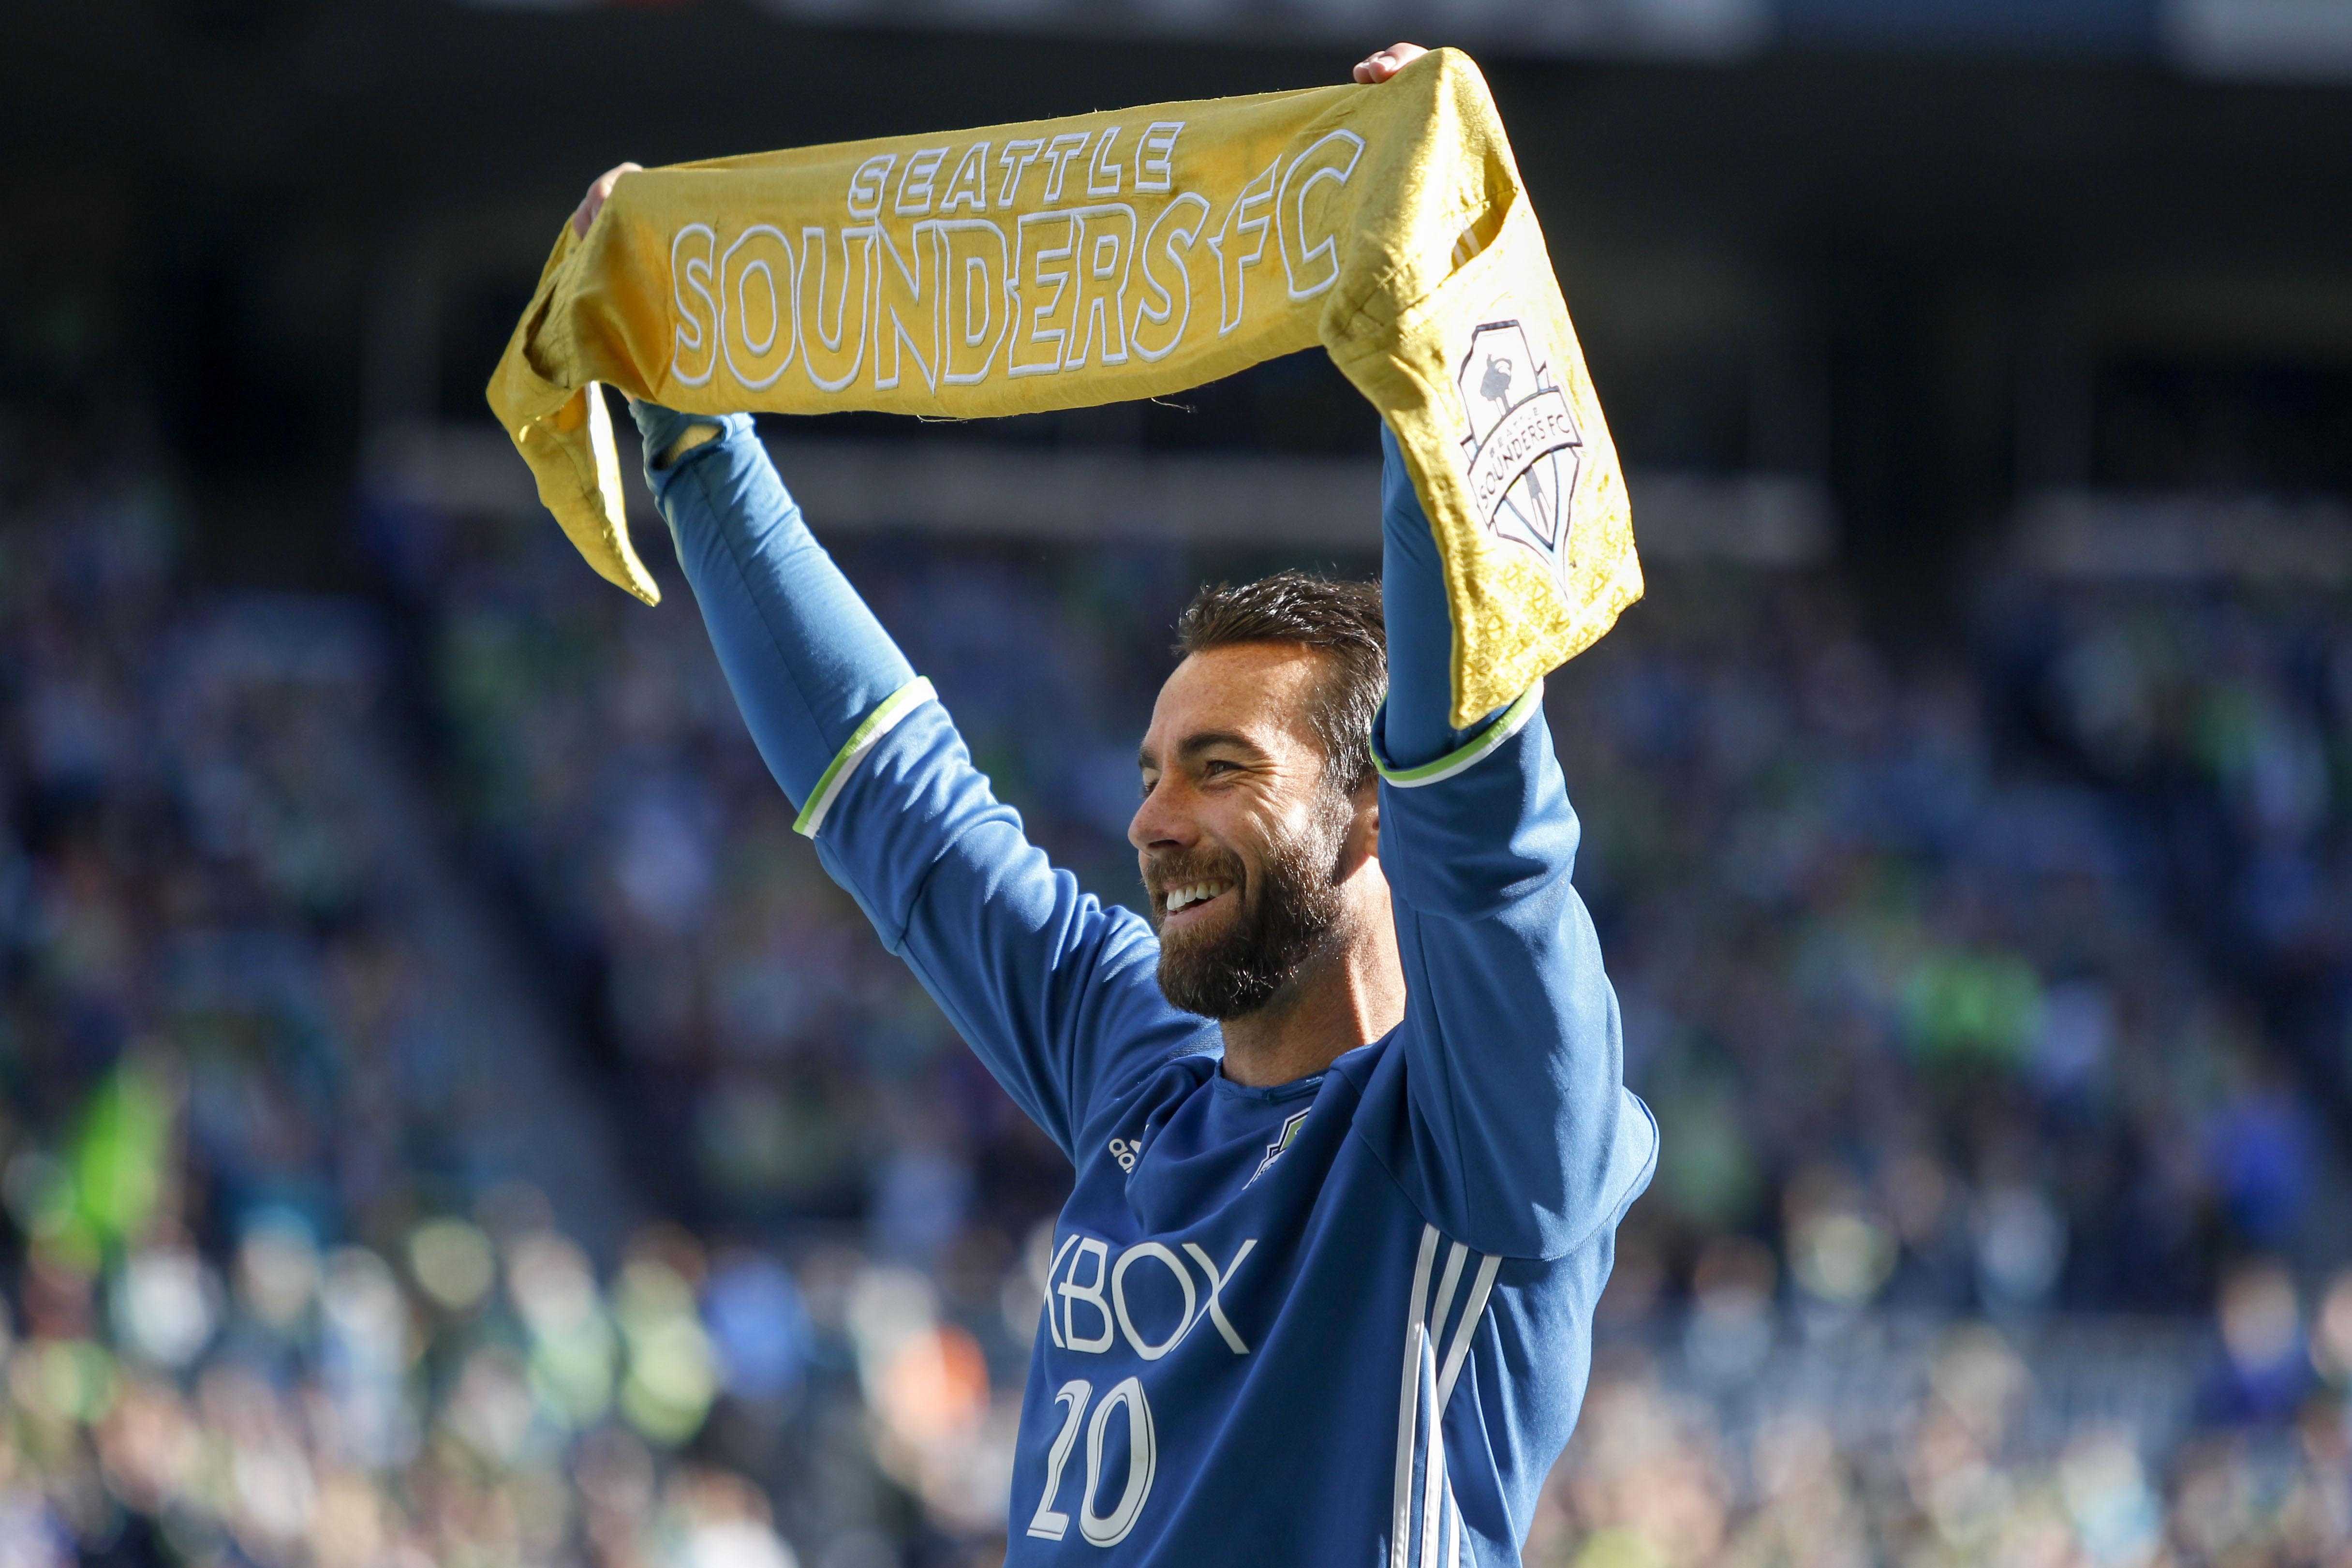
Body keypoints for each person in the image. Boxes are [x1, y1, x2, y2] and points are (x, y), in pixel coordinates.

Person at [569, 43, 1655, 1566]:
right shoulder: (1142, 1068)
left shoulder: (1484, 1139)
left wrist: (1436, 305)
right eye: (1152, 771)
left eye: (1221, 769)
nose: (1152, 821)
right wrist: (694, 443)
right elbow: (906, 810)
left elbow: (1483, 821)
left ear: (1365, 816)